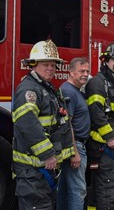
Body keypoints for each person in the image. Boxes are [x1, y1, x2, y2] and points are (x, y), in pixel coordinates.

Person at [12, 39, 74, 209]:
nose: (50, 68)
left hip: (43, 170)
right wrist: (47, 154)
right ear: (33, 65)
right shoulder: (29, 90)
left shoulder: (47, 89)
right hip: (33, 170)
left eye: (53, 65)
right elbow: (27, 124)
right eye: (45, 64)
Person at [85, 42, 114, 209]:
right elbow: (97, 115)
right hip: (102, 145)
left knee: (97, 184)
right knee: (108, 185)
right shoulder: (97, 83)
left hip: (111, 145)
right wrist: (109, 138)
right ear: (105, 61)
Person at [57, 57, 91, 210]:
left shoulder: (75, 90)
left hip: (74, 145)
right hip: (75, 145)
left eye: (87, 71)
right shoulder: (68, 91)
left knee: (65, 189)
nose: (85, 74)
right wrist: (74, 152)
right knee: (78, 190)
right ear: (70, 72)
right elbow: (66, 124)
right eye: (81, 71)